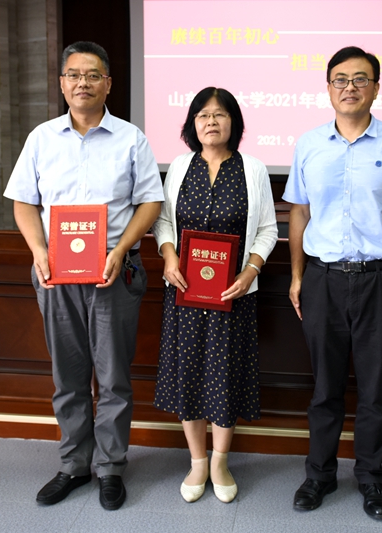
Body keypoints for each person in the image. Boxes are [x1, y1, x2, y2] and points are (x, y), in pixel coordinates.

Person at [3, 41, 164, 510]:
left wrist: (121, 248)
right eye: (73, 75)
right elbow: (23, 201)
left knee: (112, 378)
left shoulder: (131, 138)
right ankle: (74, 464)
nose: (82, 83)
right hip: (57, 275)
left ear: (108, 83)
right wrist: (39, 251)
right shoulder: (41, 138)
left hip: (115, 271)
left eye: (93, 75)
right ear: (61, 83)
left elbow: (150, 202)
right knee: (68, 376)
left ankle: (110, 467)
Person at [282, 46, 382, 521]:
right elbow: (299, 213)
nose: (350, 87)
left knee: (374, 389)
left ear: (376, 88)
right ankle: (319, 476)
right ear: (328, 88)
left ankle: (370, 478)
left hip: (381, 282)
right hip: (322, 280)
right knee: (324, 388)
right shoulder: (309, 144)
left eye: (360, 79)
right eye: (340, 79)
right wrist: (298, 276)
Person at [152, 87, 278, 503]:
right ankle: (197, 461)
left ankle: (221, 461)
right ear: (192, 123)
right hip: (185, 293)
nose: (211, 121)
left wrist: (251, 270)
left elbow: (267, 229)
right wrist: (169, 256)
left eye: (220, 114)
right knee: (188, 374)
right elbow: (163, 221)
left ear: (233, 122)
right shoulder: (179, 167)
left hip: (232, 294)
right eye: (203, 115)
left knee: (225, 376)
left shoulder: (252, 168)